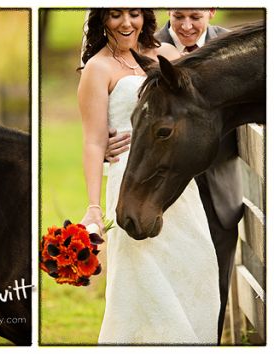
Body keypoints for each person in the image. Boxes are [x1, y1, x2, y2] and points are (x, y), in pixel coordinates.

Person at [77, 9, 220, 344]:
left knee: (196, 266)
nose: (126, 23)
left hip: (177, 184)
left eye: (134, 14)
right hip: (131, 180)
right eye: (115, 15)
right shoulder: (97, 69)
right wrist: (94, 208)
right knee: (143, 281)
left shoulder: (166, 55)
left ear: (146, 17)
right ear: (101, 20)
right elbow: (94, 141)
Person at [106, 9, 240, 340]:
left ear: (211, 10)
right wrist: (106, 139)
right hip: (157, 184)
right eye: (179, 16)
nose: (186, 25)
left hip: (218, 183)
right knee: (157, 279)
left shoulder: (234, 50)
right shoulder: (149, 49)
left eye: (196, 16)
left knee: (213, 277)